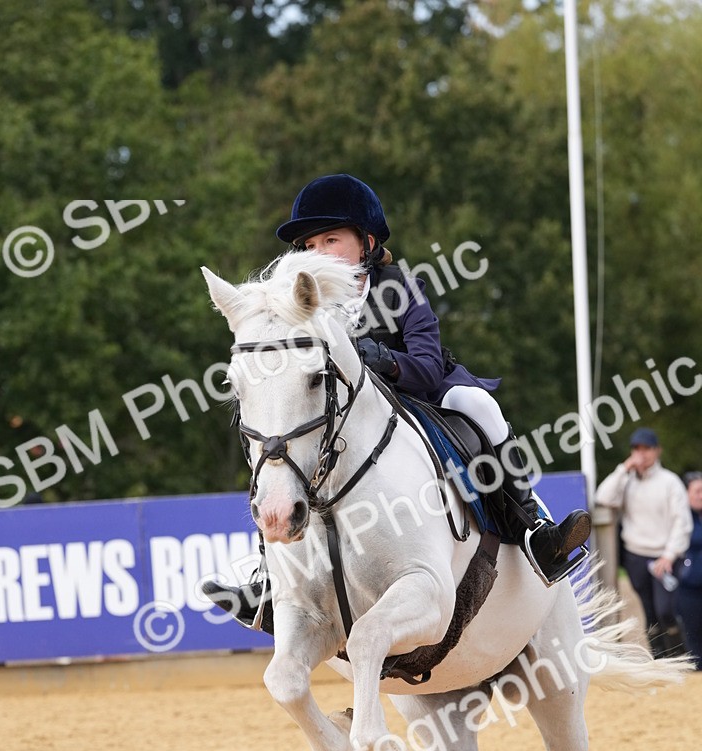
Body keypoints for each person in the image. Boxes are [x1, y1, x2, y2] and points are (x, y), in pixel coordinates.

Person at [204, 174, 591, 630]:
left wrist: (381, 358)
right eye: (309, 245)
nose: (318, 253)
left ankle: (534, 531)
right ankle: (268, 579)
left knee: (479, 405)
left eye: (332, 239)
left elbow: (426, 366)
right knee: (281, 444)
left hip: (420, 395)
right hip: (347, 420)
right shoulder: (298, 306)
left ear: (366, 243)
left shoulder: (400, 287)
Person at [595, 429, 692, 658]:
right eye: (637, 449)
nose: (642, 454)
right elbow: (603, 497)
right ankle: (659, 658)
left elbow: (682, 522)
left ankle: (679, 656)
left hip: (664, 556)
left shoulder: (670, 482)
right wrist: (624, 469)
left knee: (665, 610)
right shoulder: (627, 481)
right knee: (649, 611)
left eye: (647, 449)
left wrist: (669, 554)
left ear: (657, 451)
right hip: (636, 556)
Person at [677, 473, 702, 669]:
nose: (701, 495)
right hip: (689, 586)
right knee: (693, 632)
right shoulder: (680, 519)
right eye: (697, 491)